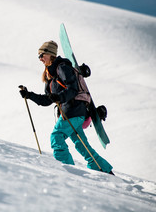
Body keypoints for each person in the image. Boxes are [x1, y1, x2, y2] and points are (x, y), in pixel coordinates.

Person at [19, 40, 113, 174]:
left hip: (73, 109)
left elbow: (73, 89)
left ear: (50, 54)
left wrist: (59, 97)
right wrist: (29, 95)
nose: (40, 59)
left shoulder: (62, 67)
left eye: (42, 55)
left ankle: (66, 170)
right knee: (81, 144)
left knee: (56, 136)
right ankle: (103, 169)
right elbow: (47, 100)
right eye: (38, 56)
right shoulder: (50, 76)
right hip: (71, 112)